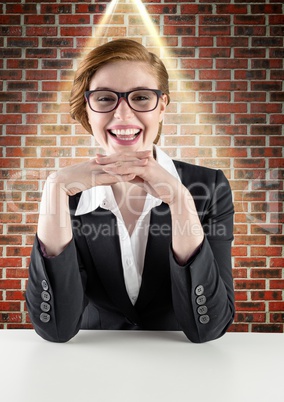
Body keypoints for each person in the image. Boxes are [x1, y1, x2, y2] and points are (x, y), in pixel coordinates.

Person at [26, 39, 235, 343]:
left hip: (183, 366)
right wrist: (54, 189)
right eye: (105, 98)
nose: (123, 116)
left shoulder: (210, 187)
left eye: (140, 97)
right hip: (91, 366)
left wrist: (179, 200)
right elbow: (55, 329)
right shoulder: (67, 196)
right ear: (88, 108)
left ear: (162, 106)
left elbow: (209, 328)